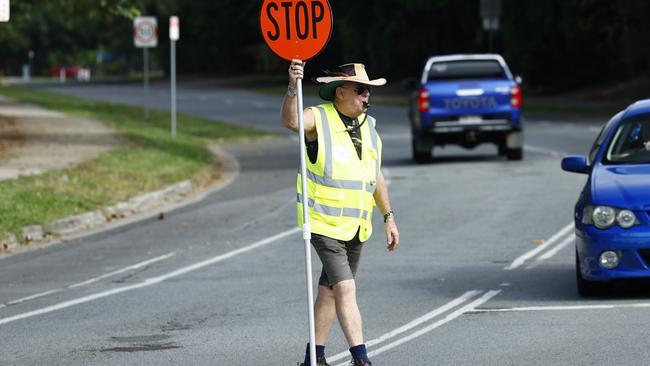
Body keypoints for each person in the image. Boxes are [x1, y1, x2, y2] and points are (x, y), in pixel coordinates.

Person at [281, 60, 400, 366]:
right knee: (346, 288)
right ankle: (361, 359)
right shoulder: (318, 118)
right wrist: (293, 88)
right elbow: (292, 122)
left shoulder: (370, 129)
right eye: (361, 90)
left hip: (356, 226)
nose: (366, 96)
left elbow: (376, 177)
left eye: (369, 91)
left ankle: (314, 359)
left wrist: (388, 217)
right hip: (324, 222)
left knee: (331, 291)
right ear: (340, 92)